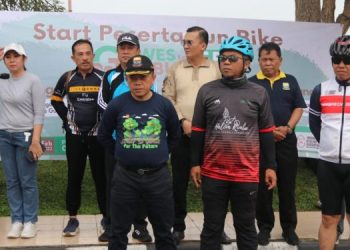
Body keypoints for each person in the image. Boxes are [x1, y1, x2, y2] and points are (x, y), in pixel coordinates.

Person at [190, 35, 277, 250]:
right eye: (222, 58)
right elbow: (198, 131)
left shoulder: (258, 93)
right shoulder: (207, 91)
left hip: (246, 174)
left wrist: (270, 166)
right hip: (213, 173)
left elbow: (266, 133)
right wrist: (194, 163)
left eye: (232, 58)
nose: (226, 62)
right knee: (211, 228)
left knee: (246, 228)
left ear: (246, 63)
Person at [98, 55, 180, 250]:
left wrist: (160, 153)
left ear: (152, 77)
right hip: (125, 177)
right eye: (133, 78)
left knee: (163, 232)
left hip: (158, 178)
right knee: (118, 233)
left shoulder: (164, 105)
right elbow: (103, 136)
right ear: (127, 79)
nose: (137, 82)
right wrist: (121, 153)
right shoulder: (117, 105)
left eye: (142, 77)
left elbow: (175, 136)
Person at [162, 26, 231, 245]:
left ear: (203, 45)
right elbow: (168, 98)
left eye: (190, 42)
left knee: (215, 185)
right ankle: (178, 226)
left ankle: (215, 228)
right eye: (184, 42)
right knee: (179, 183)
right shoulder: (175, 68)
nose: (186, 45)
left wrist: (206, 125)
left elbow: (225, 98)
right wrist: (183, 121)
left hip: (212, 137)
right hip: (182, 134)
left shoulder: (215, 68)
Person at [249, 42, 306, 246]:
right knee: (263, 188)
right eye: (264, 59)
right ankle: (264, 228)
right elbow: (248, 113)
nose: (268, 63)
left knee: (287, 187)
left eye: (272, 59)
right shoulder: (252, 83)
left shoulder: (290, 81)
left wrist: (287, 128)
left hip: (286, 142)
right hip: (262, 143)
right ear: (259, 61)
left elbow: (298, 107)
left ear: (280, 60)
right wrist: (267, 131)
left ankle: (289, 228)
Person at [97, 33, 152, 242]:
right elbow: (102, 104)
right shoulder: (110, 76)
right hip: (115, 142)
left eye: (130, 48)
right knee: (114, 184)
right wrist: (121, 118)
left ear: (137, 50)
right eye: (122, 48)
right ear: (118, 52)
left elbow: (152, 102)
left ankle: (140, 227)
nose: (126, 51)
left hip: (141, 141)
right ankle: (111, 226)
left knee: (142, 185)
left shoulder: (148, 76)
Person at [51, 39, 106, 237]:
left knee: (102, 178)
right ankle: (72, 219)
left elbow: (111, 104)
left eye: (88, 53)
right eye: (80, 54)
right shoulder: (67, 77)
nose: (84, 57)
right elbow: (56, 100)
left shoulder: (103, 77)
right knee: (74, 178)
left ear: (93, 55)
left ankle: (106, 218)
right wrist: (67, 120)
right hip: (74, 136)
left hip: (98, 136)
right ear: (73, 57)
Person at [309, 35, 350, 250]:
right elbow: (315, 124)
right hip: (328, 165)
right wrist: (328, 145)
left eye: (347, 60)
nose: (341, 65)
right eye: (336, 60)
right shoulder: (320, 89)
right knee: (328, 219)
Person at [0, 43, 45, 239]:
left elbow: (39, 114)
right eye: (7, 57)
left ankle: (30, 222)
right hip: (4, 136)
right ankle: (17, 220)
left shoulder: (33, 80)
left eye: (15, 56)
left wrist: (35, 140)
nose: (12, 60)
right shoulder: (1, 81)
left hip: (26, 136)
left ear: (24, 59)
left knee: (27, 181)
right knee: (11, 181)